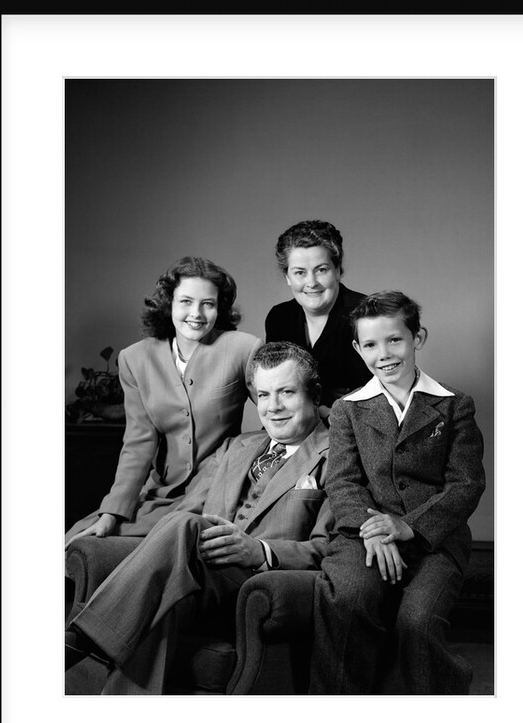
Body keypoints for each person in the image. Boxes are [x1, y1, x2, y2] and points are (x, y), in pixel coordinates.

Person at [65, 342, 333, 694]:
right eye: (264, 395)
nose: (273, 407)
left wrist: (259, 550)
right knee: (161, 595)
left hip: (256, 585)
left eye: (287, 392)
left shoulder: (337, 455)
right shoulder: (235, 447)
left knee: (184, 531)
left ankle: (81, 640)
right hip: (195, 576)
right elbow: (183, 509)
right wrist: (106, 519)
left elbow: (330, 550)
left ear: (314, 395)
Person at [309, 291, 486, 694]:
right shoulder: (347, 409)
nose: (384, 354)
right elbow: (342, 481)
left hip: (436, 539)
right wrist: (373, 531)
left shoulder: (455, 405)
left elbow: (467, 483)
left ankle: (440, 703)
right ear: (358, 349)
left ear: (417, 338)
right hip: (362, 534)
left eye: (394, 340)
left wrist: (409, 527)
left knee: (417, 621)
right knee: (349, 597)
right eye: (371, 344)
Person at [65, 256, 262, 545]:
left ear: (219, 307)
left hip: (220, 488)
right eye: (186, 301)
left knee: (167, 539)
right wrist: (112, 512)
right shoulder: (134, 359)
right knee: (76, 541)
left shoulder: (243, 348)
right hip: (162, 492)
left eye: (208, 303)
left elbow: (276, 412)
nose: (196, 313)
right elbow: (138, 443)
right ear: (168, 303)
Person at [264, 219, 371, 415]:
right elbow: (274, 386)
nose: (311, 282)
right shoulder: (279, 318)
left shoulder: (367, 314)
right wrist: (319, 404)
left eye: (321, 270)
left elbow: (378, 393)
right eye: (300, 272)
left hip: (354, 423)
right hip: (293, 421)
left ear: (337, 270)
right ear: (287, 277)